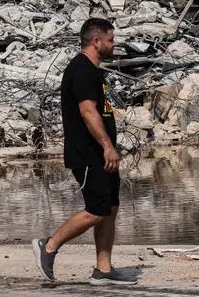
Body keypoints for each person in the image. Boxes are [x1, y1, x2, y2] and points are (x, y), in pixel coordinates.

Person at [30, 18, 136, 286]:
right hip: (89, 153)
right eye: (111, 39)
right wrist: (107, 146)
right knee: (97, 210)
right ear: (96, 41)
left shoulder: (93, 71)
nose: (114, 44)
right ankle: (49, 245)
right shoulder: (82, 70)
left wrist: (110, 147)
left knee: (110, 208)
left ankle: (103, 270)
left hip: (101, 152)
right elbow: (87, 112)